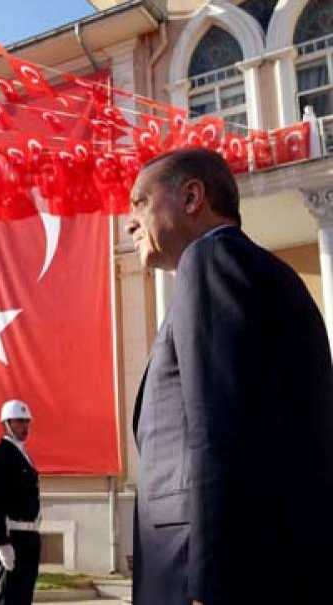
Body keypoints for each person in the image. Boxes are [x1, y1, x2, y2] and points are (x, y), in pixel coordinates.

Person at [127, 148, 333, 605]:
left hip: (203, 573)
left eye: (140, 203)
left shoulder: (210, 261)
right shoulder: (267, 273)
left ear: (191, 197)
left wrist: (211, 579)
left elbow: (219, 430)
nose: (130, 223)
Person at [0, 400, 40, 605]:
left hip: (30, 536)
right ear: (6, 424)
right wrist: (1, 541)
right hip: (12, 537)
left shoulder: (24, 455)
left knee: (24, 598)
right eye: (19, 422)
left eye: (27, 422)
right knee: (8, 598)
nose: (25, 426)